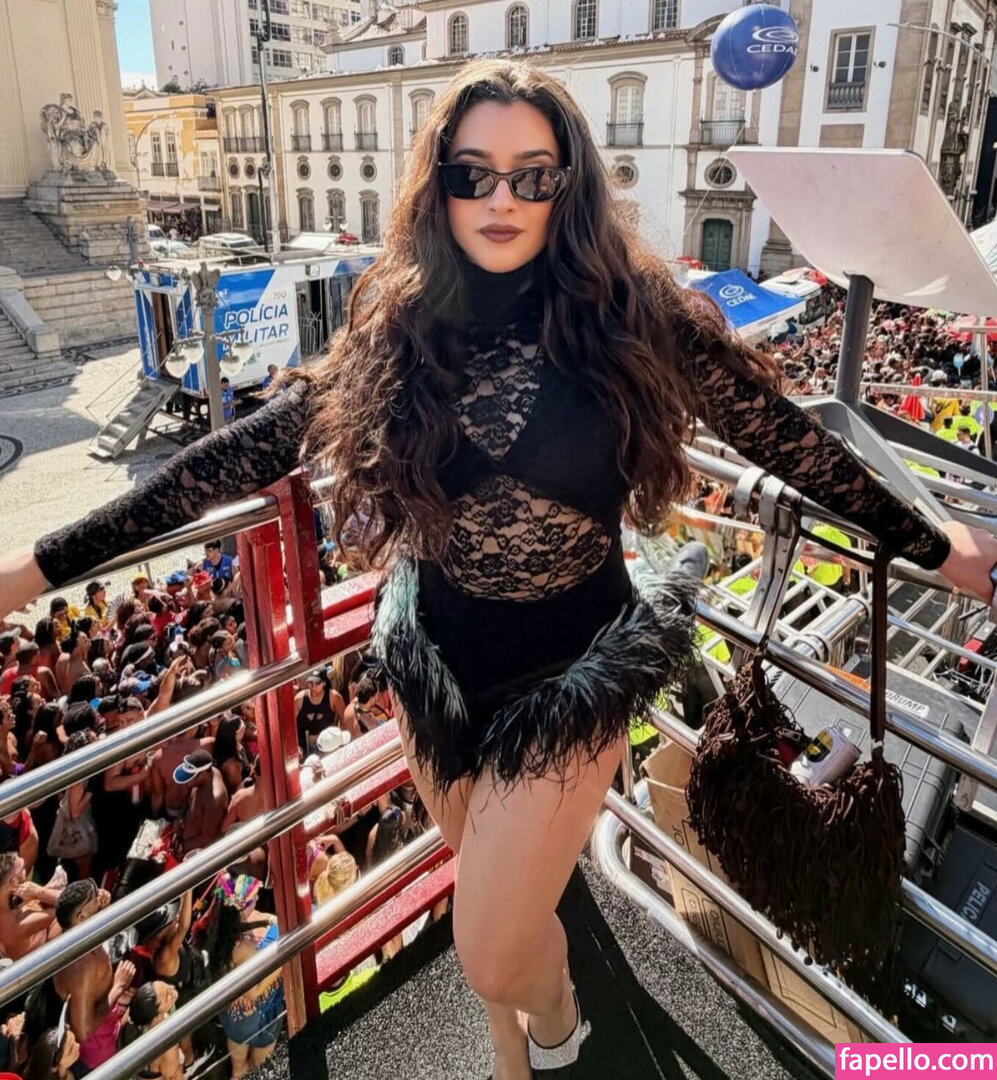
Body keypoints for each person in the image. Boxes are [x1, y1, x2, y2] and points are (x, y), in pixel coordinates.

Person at [2, 59, 996, 1079]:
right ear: (437, 185)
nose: (501, 198)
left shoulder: (636, 317)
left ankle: (561, 1029)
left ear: (569, 185)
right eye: (472, 173)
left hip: (573, 672)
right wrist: (33, 570)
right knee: (486, 893)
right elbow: (232, 457)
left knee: (486, 942)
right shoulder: (396, 324)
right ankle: (509, 1046)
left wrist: (936, 544)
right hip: (436, 665)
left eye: (533, 175)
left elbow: (785, 440)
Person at [194, 875, 282, 1079]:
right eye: (255, 898)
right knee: (260, 1068)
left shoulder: (216, 932)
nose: (258, 900)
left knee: (239, 1070)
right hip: (260, 1013)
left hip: (233, 1015)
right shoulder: (245, 947)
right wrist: (281, 961)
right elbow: (254, 993)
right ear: (242, 909)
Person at [52, 879, 135, 1069]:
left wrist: (100, 907)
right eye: (95, 898)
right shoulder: (83, 966)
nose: (100, 897)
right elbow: (83, 1031)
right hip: (99, 1047)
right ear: (82, 916)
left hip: (109, 1014)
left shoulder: (67, 930)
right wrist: (117, 987)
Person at [119, 981, 183, 1080]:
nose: (172, 990)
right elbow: (175, 1077)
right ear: (155, 1017)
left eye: (167, 986)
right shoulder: (166, 1043)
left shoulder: (132, 1016)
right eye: (167, 996)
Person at [173, 749, 228, 856]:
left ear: (203, 774)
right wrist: (180, 818)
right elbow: (188, 800)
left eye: (190, 777)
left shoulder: (214, 801)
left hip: (189, 848)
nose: (186, 781)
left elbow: (206, 839)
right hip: (182, 833)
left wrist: (182, 847)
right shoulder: (209, 772)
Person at [294, 670, 344, 756]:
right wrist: (296, 746)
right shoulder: (299, 699)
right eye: (310, 683)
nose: (313, 687)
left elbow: (344, 719)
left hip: (328, 745)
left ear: (324, 683)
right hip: (305, 746)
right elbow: (290, 726)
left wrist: (338, 739)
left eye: (317, 683)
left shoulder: (333, 697)